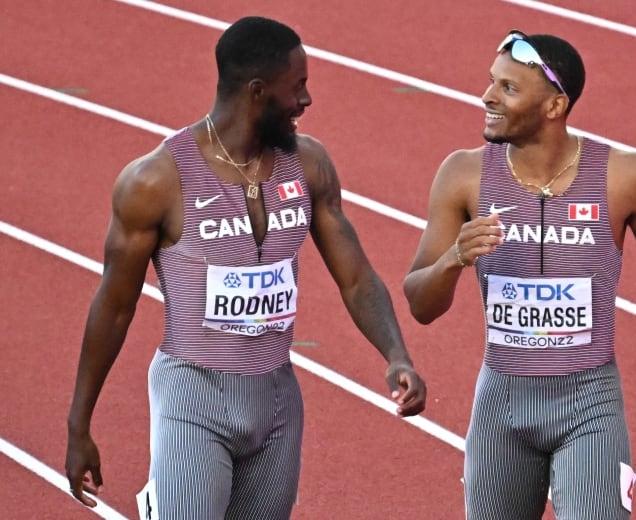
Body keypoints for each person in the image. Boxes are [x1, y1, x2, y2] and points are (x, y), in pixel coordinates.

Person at [65, 16, 426, 519]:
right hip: (194, 394)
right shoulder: (157, 181)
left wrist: (396, 354)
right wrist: (78, 424)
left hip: (277, 398)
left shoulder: (309, 165)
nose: (307, 101)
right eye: (297, 86)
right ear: (258, 92)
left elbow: (356, 276)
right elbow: (116, 304)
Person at [403, 30, 636, 519]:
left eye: (508, 88)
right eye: (490, 82)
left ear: (554, 106)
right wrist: (453, 260)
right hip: (501, 404)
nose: (487, 97)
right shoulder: (463, 175)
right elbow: (420, 304)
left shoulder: (626, 177)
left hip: (589, 403)